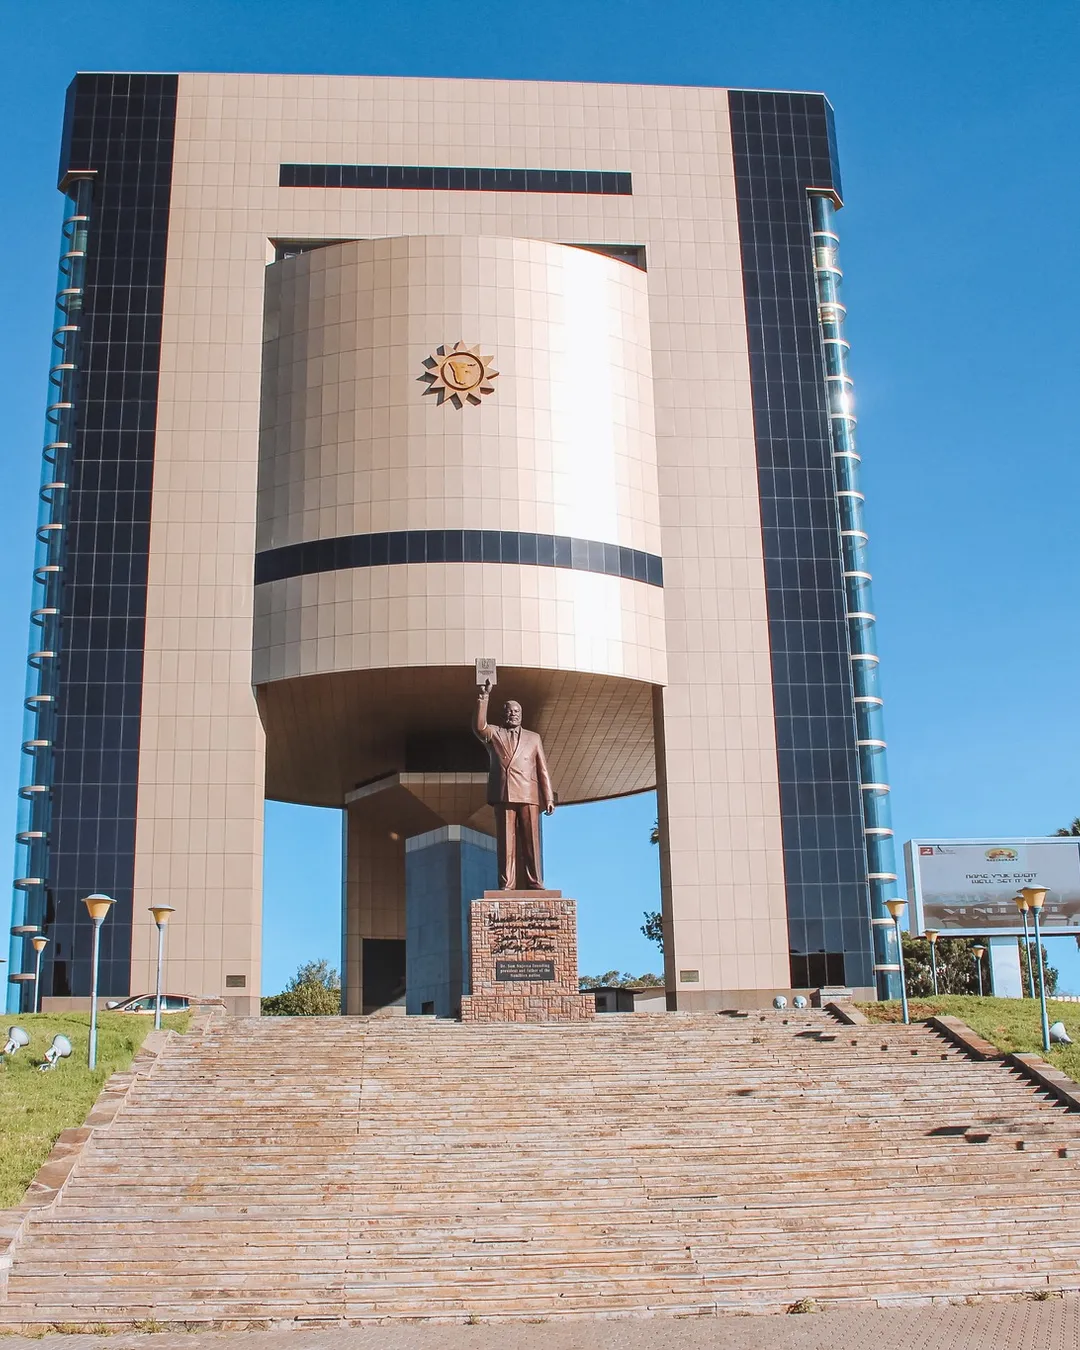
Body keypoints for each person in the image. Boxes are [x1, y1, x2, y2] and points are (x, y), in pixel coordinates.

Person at [472, 679, 555, 889]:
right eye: (509, 711)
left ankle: (535, 881)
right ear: (503, 715)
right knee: (506, 843)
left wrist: (549, 798)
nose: (513, 714)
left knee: (531, 842)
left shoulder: (533, 738)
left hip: (528, 794)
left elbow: (542, 770)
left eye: (517, 711)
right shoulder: (494, 733)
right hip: (504, 793)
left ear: (522, 715)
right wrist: (484, 697)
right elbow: (479, 726)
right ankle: (506, 883)